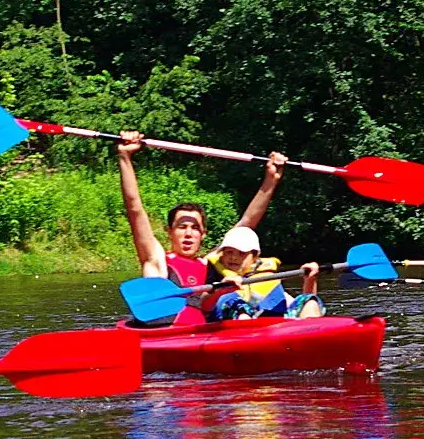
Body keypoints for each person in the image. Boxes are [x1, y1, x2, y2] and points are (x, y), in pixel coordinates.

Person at [116, 131, 287, 324]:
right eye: (182, 227)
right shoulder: (157, 260)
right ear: (169, 232)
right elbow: (135, 209)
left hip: (204, 334)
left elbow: (247, 222)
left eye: (195, 228)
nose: (188, 233)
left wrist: (271, 180)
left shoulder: (211, 263)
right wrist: (125, 157)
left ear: (203, 234)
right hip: (169, 333)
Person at [201, 226, 323, 320]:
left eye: (241, 253)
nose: (233, 257)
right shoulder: (213, 274)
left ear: (254, 257)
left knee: (309, 300)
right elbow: (204, 307)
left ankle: (312, 339)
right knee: (235, 303)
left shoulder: (267, 277)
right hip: (236, 326)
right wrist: (220, 290)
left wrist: (310, 279)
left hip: (272, 327)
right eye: (229, 252)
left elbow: (296, 305)